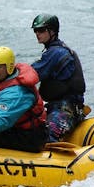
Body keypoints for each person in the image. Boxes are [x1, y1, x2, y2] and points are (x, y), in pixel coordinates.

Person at [31, 13, 86, 142]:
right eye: (35, 30)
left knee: (47, 137)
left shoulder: (56, 53)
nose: (37, 34)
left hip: (66, 109)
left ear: (52, 31)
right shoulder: (57, 50)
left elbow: (31, 74)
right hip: (57, 106)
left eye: (41, 30)